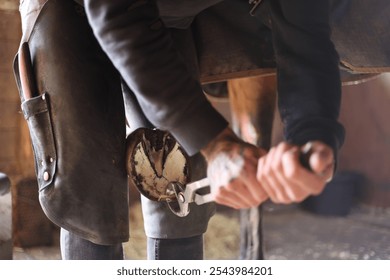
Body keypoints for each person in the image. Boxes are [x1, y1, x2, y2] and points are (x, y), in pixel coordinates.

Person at [14, 0, 344, 259]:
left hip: (163, 17)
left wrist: (312, 135)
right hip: (71, 8)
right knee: (87, 195)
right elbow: (112, 13)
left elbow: (306, 33)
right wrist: (217, 144)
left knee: (179, 189)